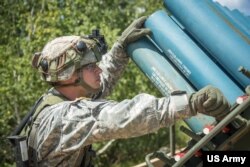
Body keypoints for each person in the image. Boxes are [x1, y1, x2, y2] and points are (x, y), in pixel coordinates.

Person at [24, 16, 230, 166]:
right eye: (90, 66)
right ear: (69, 76)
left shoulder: (60, 97)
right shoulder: (64, 118)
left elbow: (101, 81)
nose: (98, 68)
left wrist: (121, 48)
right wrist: (191, 102)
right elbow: (123, 117)